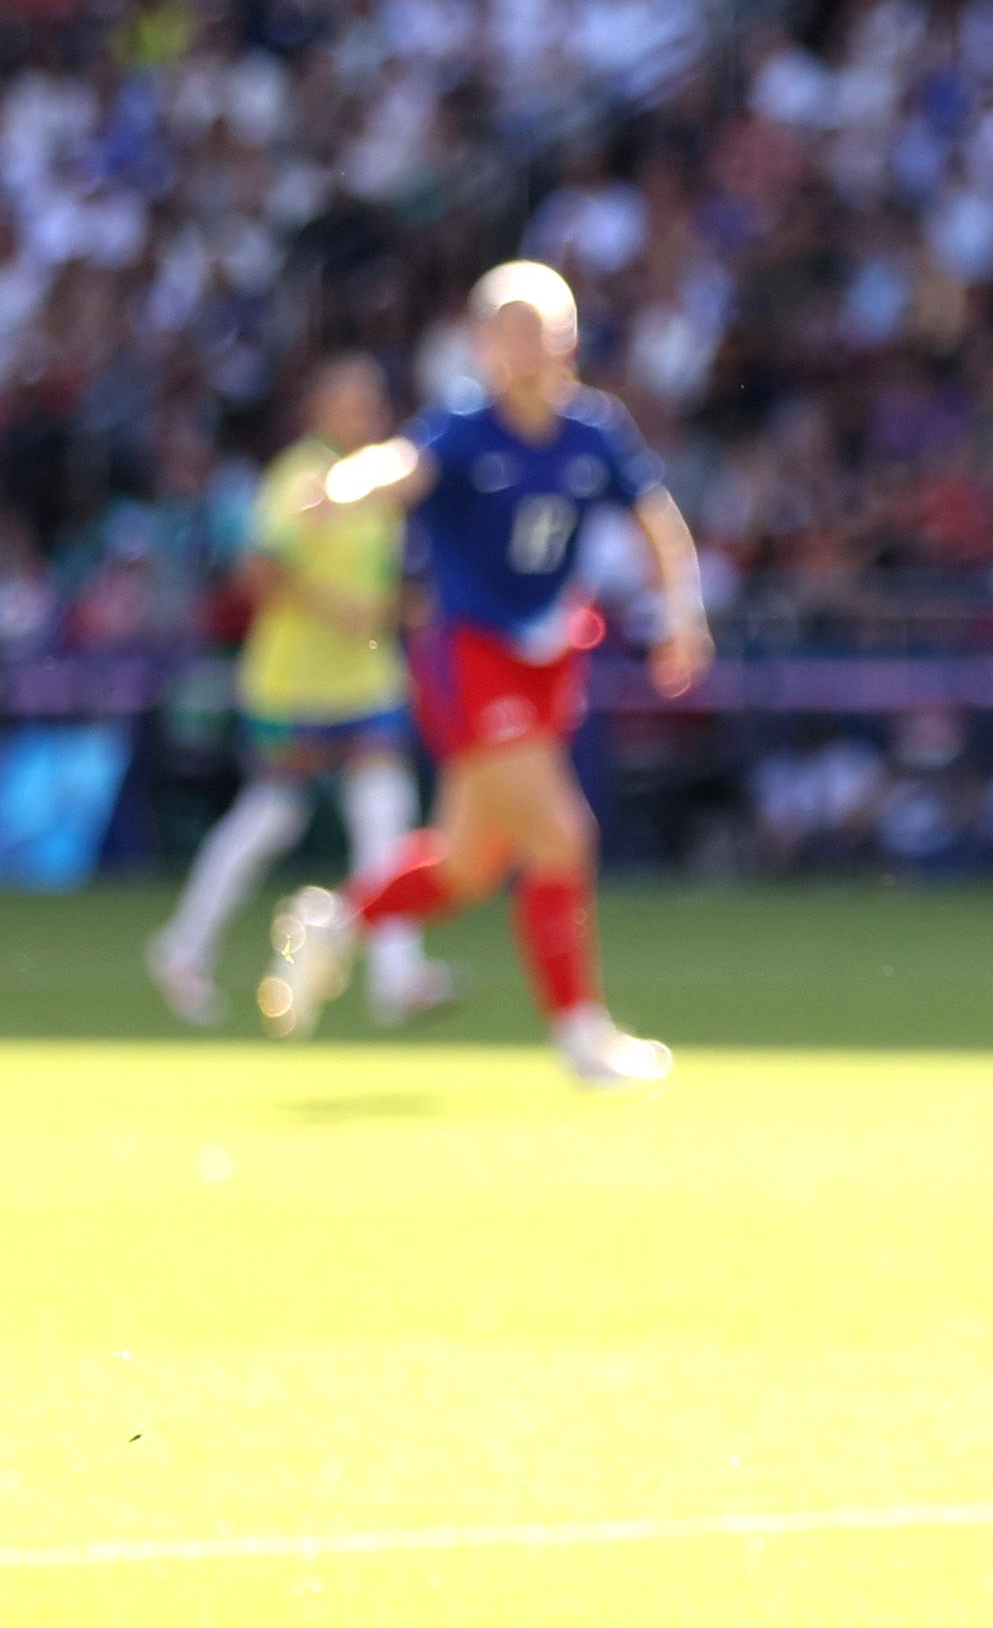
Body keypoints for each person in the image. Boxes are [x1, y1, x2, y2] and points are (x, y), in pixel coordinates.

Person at [261, 265, 705, 1086]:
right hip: (470, 656)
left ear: (570, 339)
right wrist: (342, 486)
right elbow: (397, 467)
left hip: (545, 657)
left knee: (468, 864)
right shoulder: (466, 428)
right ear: (483, 344)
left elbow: (655, 519)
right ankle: (581, 1034)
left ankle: (335, 922)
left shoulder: (593, 431)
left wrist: (681, 613)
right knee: (561, 836)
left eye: (542, 329)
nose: (529, 349)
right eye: (512, 331)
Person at [150, 359, 446, 1027]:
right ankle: (183, 944)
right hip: (292, 686)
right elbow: (256, 570)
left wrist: (404, 608)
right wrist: (336, 609)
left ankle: (398, 975)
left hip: (366, 681)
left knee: (385, 810)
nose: (361, 413)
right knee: (272, 818)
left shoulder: (383, 481)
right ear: (319, 409)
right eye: (347, 400)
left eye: (370, 401)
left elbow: (386, 581)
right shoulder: (300, 477)